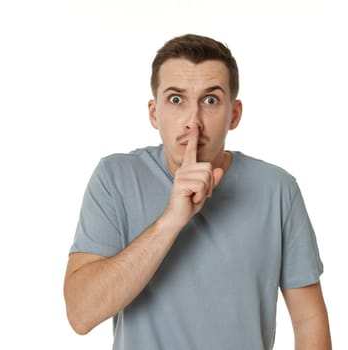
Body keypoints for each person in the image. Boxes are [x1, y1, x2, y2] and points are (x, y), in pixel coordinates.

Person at [64, 34, 332, 349]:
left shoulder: (277, 189)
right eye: (176, 100)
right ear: (154, 113)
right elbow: (81, 314)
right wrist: (171, 220)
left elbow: (308, 321)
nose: (194, 122)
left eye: (210, 100)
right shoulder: (115, 178)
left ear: (234, 114)